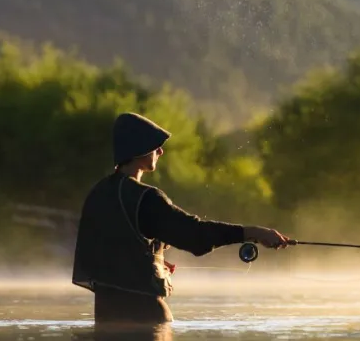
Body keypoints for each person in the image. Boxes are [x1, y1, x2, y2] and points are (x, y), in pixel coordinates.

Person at [72, 112, 293, 324]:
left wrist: (154, 260)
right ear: (139, 148)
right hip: (147, 316)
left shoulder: (97, 194)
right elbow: (196, 236)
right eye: (155, 146)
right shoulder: (146, 198)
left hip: (105, 317)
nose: (160, 152)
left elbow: (109, 249)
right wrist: (253, 233)